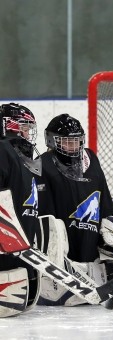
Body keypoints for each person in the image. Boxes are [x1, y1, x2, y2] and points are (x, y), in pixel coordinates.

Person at [36, 113, 113, 306]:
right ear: (52, 141)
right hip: (61, 251)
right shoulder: (42, 165)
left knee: (106, 241)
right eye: (67, 142)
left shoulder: (90, 159)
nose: (73, 146)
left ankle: (103, 278)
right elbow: (43, 219)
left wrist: (109, 229)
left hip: (88, 241)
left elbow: (105, 203)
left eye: (76, 141)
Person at [0, 102, 41, 316]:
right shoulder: (3, 149)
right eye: (23, 127)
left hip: (19, 251)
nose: (27, 133)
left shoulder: (25, 158)